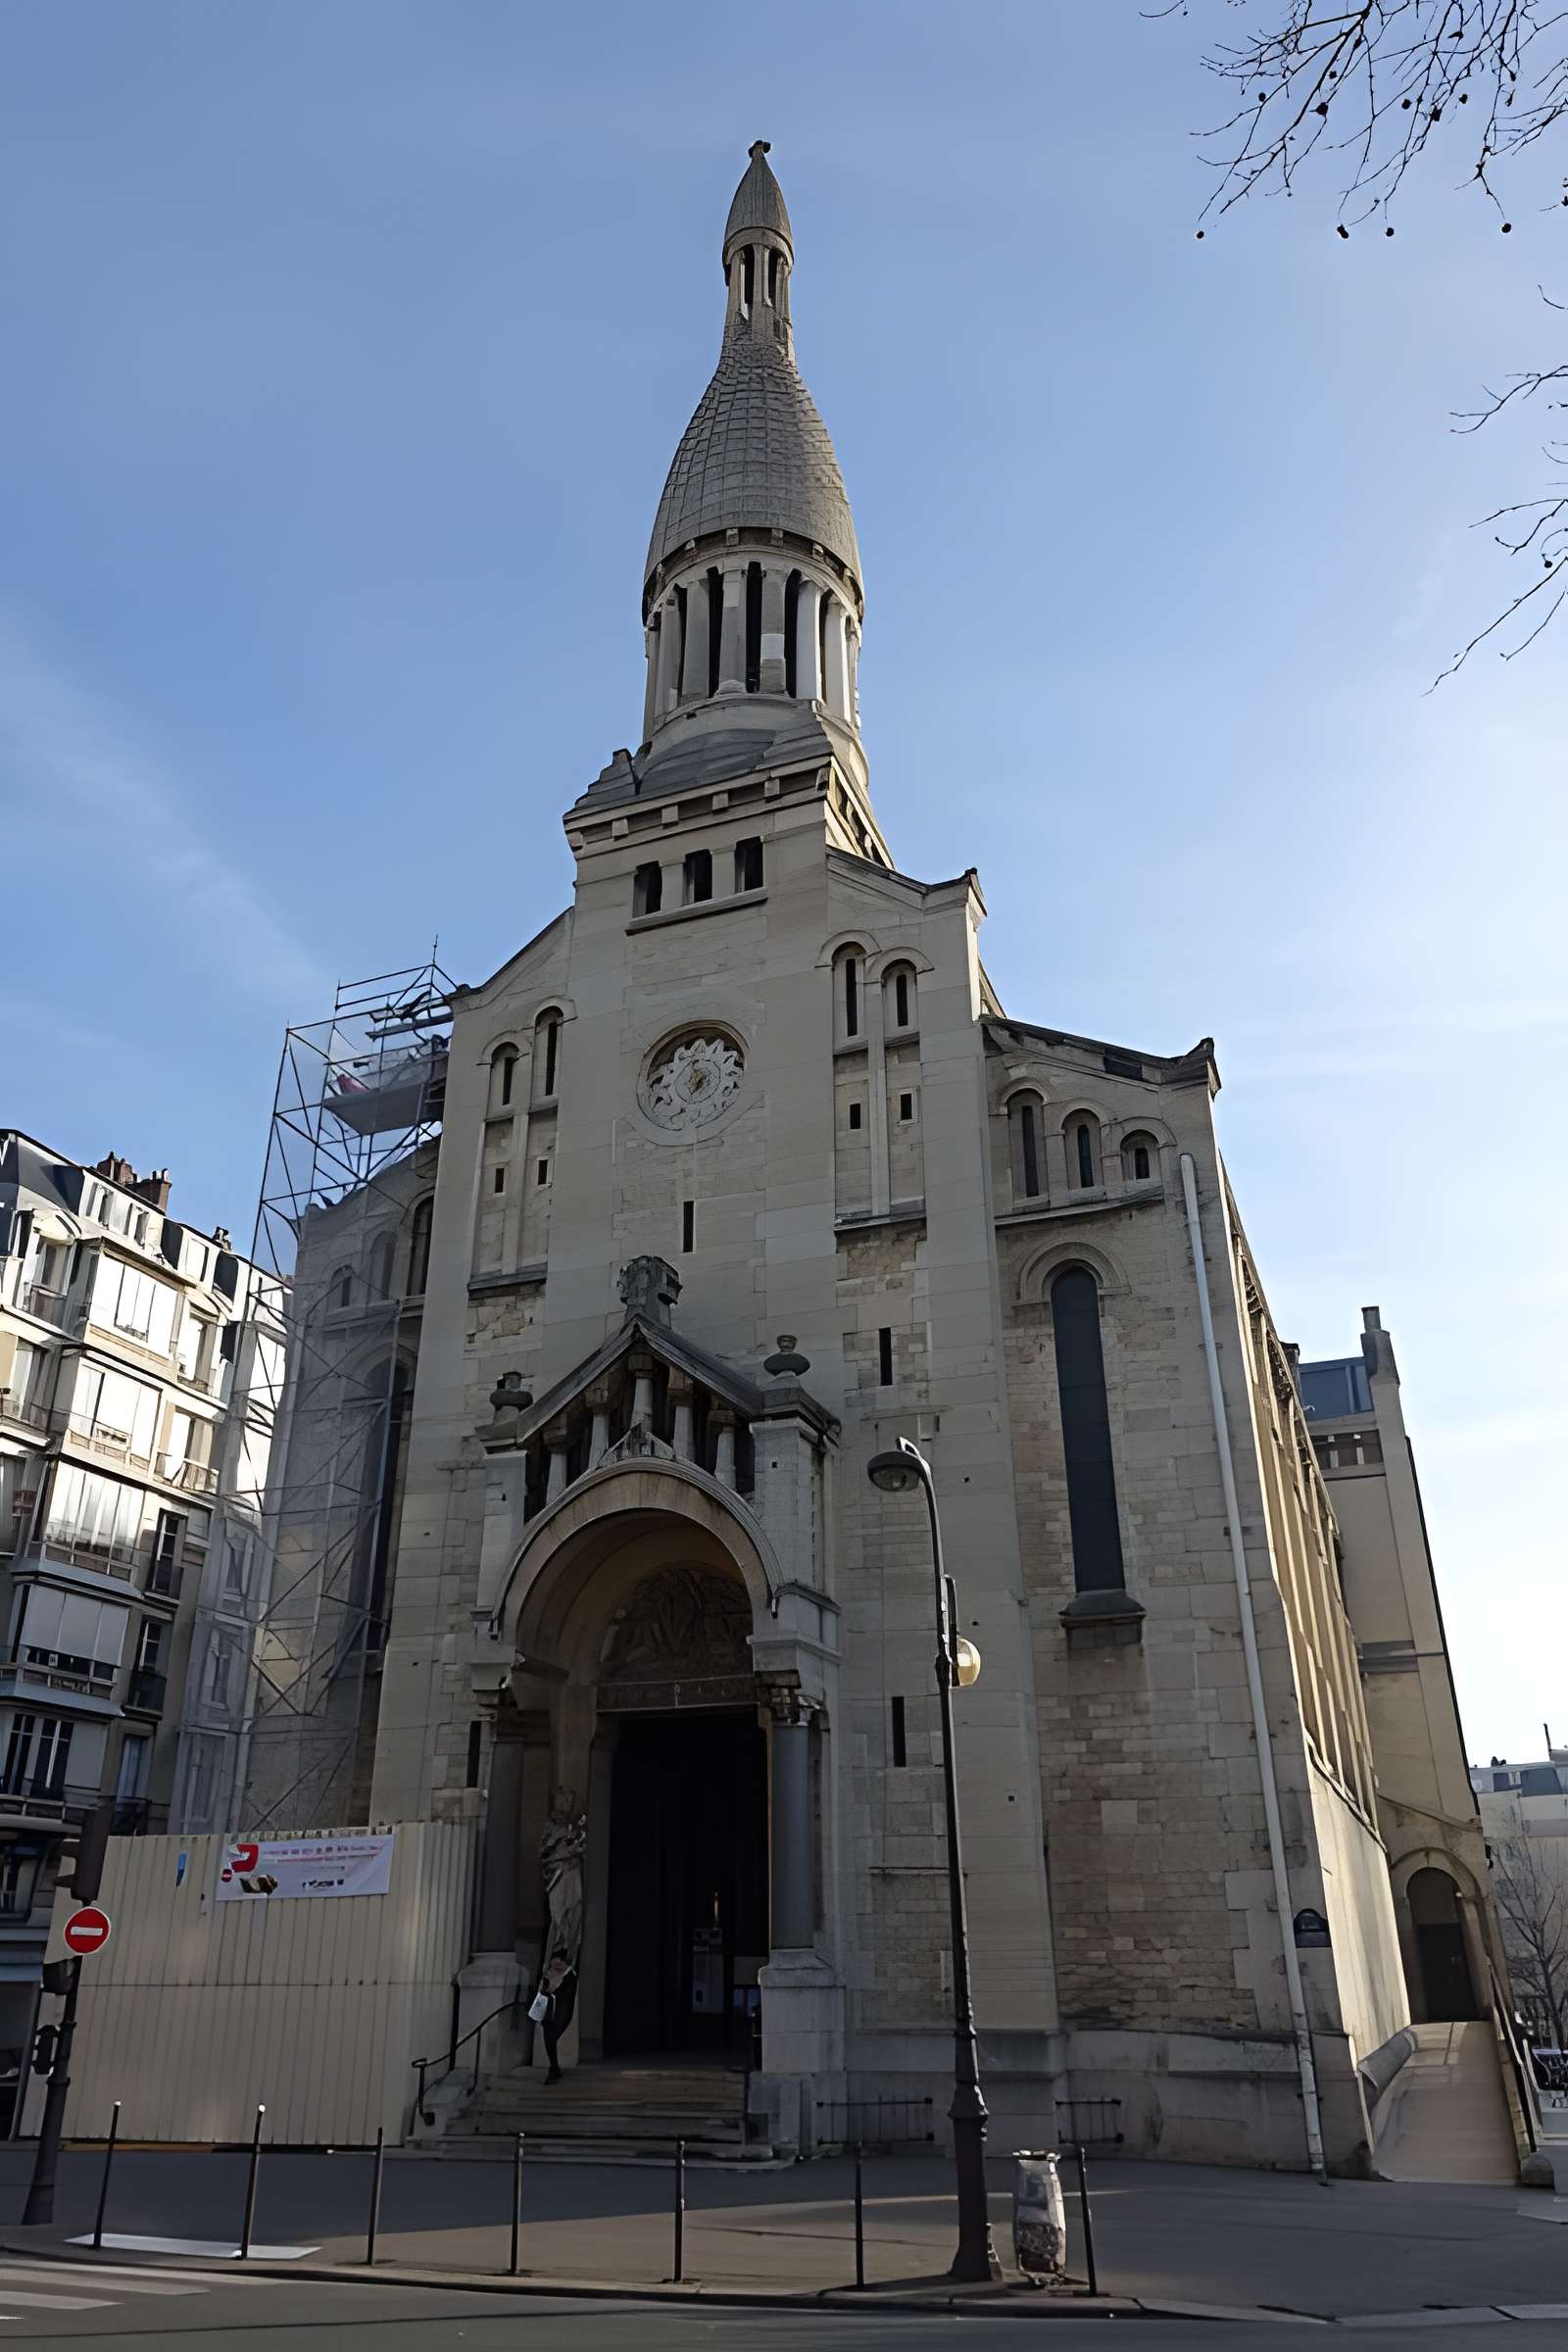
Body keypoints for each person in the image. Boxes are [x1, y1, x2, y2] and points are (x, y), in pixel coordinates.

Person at [537, 1952, 577, 2084]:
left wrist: (555, 1983)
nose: (555, 1965)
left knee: (551, 2037)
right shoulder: (548, 1974)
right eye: (553, 1963)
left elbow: (566, 1994)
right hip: (549, 2013)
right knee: (549, 2037)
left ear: (563, 1962)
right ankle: (554, 2069)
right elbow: (544, 1993)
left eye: (557, 1962)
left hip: (562, 2012)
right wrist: (548, 1981)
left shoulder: (570, 1975)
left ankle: (554, 2070)